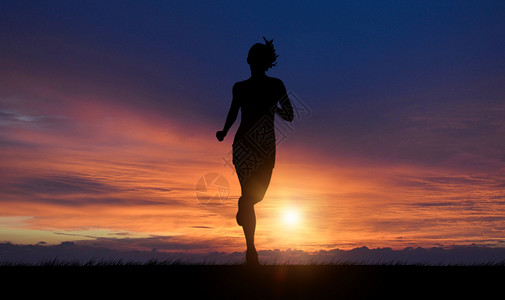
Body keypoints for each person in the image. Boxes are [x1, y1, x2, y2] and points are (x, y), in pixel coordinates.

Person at [216, 37, 294, 265]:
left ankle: (249, 242)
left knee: (253, 197)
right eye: (252, 59)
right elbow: (233, 112)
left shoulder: (274, 85)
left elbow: (288, 114)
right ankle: (251, 252)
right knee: (251, 196)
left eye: (255, 60)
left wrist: (274, 108)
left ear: (261, 62)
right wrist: (224, 131)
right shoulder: (242, 87)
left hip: (261, 147)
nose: (252, 63)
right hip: (249, 146)